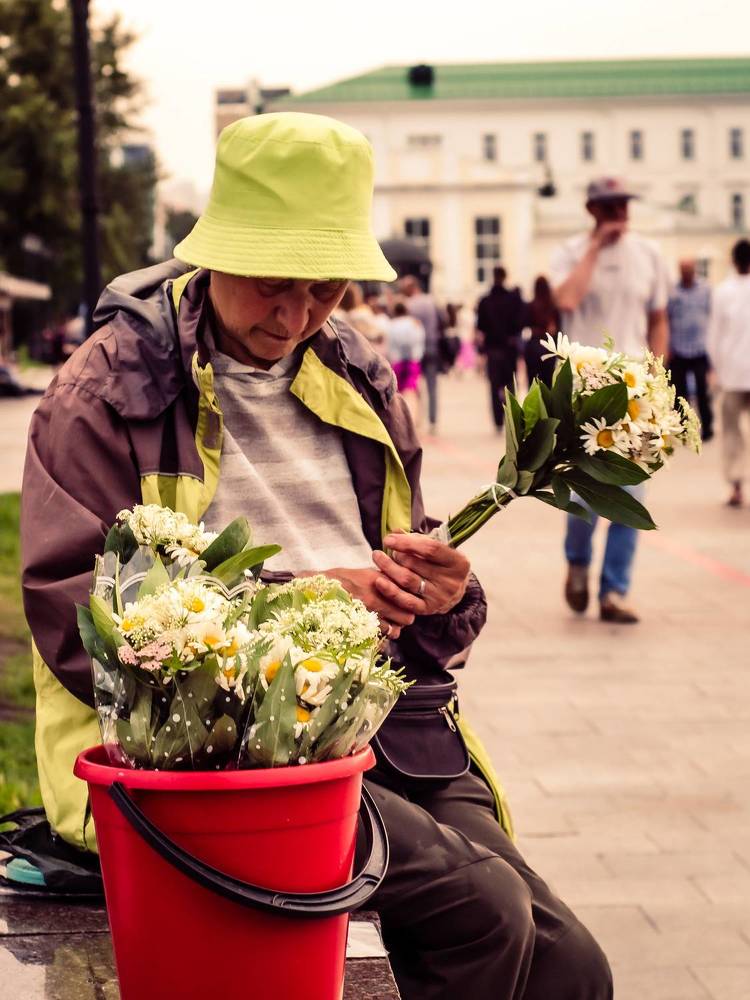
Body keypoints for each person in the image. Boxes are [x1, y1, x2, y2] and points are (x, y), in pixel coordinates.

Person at [20, 112, 611, 1000]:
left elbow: (413, 614)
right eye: (271, 285)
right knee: (484, 915)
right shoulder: (104, 390)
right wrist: (302, 604)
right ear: (214, 253)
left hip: (384, 727)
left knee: (572, 968)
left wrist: (438, 590)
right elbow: (80, 619)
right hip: (210, 755)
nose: (294, 316)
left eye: (326, 290)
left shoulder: (359, 371)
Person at [551, 176, 670, 625]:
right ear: (592, 211)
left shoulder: (649, 255)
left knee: (632, 493)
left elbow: (658, 318)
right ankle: (578, 565)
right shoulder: (569, 252)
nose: (619, 214)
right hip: (586, 387)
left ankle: (615, 591)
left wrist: (658, 373)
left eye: (622, 205)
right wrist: (594, 249)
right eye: (608, 207)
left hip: (636, 390)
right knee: (583, 494)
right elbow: (566, 297)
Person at [707, 238, 750, 508]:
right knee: (733, 430)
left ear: (732, 260)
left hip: (732, 372)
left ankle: (736, 485)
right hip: (732, 372)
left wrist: (718, 370)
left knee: (732, 432)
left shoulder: (722, 291)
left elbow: (714, 336)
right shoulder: (723, 291)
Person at [667, 259, 713, 441]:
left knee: (703, 391)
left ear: (694, 270)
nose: (687, 273)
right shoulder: (672, 291)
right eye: (683, 270)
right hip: (678, 348)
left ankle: (707, 428)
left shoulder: (706, 290)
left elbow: (712, 314)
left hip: (700, 348)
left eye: (689, 270)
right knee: (680, 393)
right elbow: (666, 317)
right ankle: (683, 428)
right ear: (680, 271)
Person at [476, 266, 524, 430]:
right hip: (509, 348)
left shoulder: (485, 301)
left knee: (494, 385)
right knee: (510, 384)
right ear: (505, 276)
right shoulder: (513, 299)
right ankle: (511, 415)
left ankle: (498, 420)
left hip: (493, 348)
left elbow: (480, 326)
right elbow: (520, 323)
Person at [399, 274, 443, 434]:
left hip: (415, 349)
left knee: (415, 385)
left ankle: (418, 419)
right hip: (432, 345)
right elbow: (442, 319)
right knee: (432, 385)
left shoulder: (408, 304)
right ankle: (433, 420)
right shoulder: (430, 301)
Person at [386, 299, 425, 424]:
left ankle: (400, 419)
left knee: (397, 391)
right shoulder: (415, 323)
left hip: (396, 361)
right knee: (411, 390)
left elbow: (389, 343)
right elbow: (420, 341)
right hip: (413, 361)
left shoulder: (392, 324)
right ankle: (412, 419)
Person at [522, 275, 560, 388]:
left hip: (533, 347)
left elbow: (524, 325)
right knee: (549, 383)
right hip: (549, 347)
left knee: (533, 384)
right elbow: (558, 329)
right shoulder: (553, 308)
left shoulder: (530, 306)